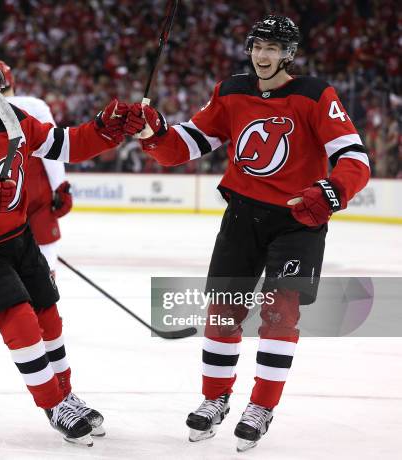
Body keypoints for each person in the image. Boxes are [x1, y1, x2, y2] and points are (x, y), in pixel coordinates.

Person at [123, 15, 370, 452]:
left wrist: (330, 192)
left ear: (289, 54)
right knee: (223, 313)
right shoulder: (231, 90)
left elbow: (355, 159)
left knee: (280, 313)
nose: (263, 55)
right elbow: (188, 144)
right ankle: (214, 399)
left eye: (273, 49)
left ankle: (261, 405)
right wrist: (153, 132)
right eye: (258, 46)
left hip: (298, 220)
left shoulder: (316, 95)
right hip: (243, 216)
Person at [0, 50, 128, 446]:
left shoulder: (10, 120)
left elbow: (63, 145)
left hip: (20, 237)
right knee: (20, 321)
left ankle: (67, 395)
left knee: (49, 316)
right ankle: (52, 404)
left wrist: (106, 128)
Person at [0, 60, 72, 275]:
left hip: (1, 193)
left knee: (7, 270)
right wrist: (61, 187)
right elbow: (53, 148)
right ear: (12, 82)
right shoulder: (35, 106)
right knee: (45, 271)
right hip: (36, 190)